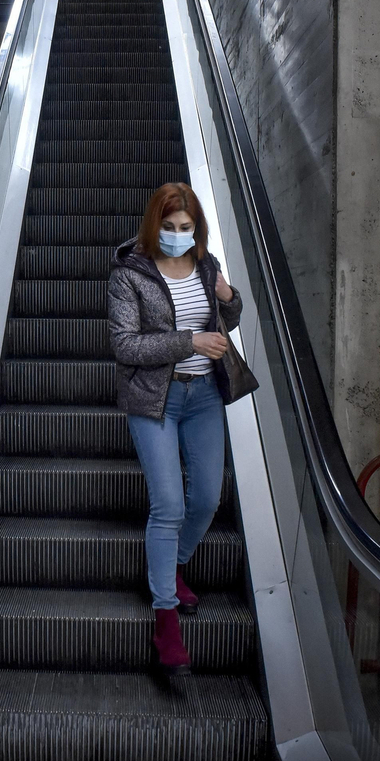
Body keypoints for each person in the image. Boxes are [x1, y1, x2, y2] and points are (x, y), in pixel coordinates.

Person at [107, 182, 242, 675]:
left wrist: (230, 298)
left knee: (206, 498)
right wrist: (190, 342)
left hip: (205, 397)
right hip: (154, 398)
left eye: (186, 228)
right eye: (169, 228)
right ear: (153, 225)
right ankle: (166, 617)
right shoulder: (129, 274)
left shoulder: (205, 264)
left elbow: (229, 317)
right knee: (169, 504)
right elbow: (126, 346)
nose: (178, 236)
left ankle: (176, 564)